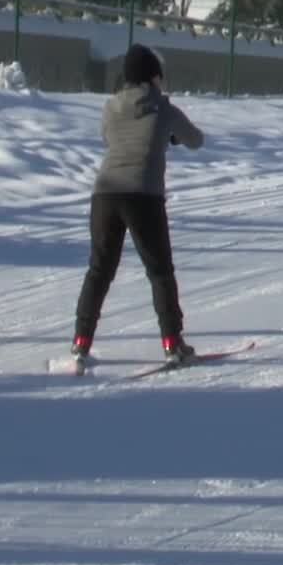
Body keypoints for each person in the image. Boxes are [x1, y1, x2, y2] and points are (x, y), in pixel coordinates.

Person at [70, 43, 204, 366]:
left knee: (99, 271)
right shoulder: (163, 107)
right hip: (144, 195)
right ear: (153, 77)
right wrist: (168, 134)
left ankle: (81, 342)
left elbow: (110, 138)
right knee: (159, 271)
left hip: (104, 193)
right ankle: (173, 343)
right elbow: (196, 140)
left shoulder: (110, 107)